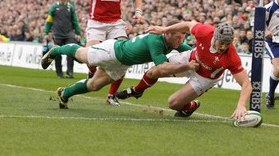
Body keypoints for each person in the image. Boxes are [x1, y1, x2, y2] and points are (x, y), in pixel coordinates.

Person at [41, 20, 197, 109]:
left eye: (183, 37)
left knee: (94, 85)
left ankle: (65, 93)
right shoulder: (156, 40)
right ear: (168, 33)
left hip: (122, 64)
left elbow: (192, 52)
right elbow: (162, 68)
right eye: (179, 37)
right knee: (83, 56)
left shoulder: (173, 42)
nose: (181, 41)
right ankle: (56, 50)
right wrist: (187, 66)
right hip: (113, 51)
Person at [116, 22, 252, 122]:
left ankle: (190, 106)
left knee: (173, 103)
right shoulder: (204, 32)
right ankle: (137, 90)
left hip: (205, 78)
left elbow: (246, 83)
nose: (223, 47)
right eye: (221, 43)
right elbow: (187, 25)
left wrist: (241, 105)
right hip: (191, 58)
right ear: (215, 37)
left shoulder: (231, 57)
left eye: (227, 44)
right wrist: (164, 29)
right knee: (154, 72)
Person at [70, 0, 145, 105]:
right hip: (96, 23)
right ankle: (91, 72)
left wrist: (138, 12)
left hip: (116, 24)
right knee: (91, 58)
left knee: (124, 58)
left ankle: (111, 95)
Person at [44, 0, 82, 78]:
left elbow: (74, 21)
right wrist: (46, 32)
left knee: (71, 53)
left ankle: (70, 73)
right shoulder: (54, 7)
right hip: (57, 34)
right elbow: (49, 20)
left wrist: (78, 32)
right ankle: (59, 73)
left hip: (69, 34)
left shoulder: (70, 7)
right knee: (57, 54)